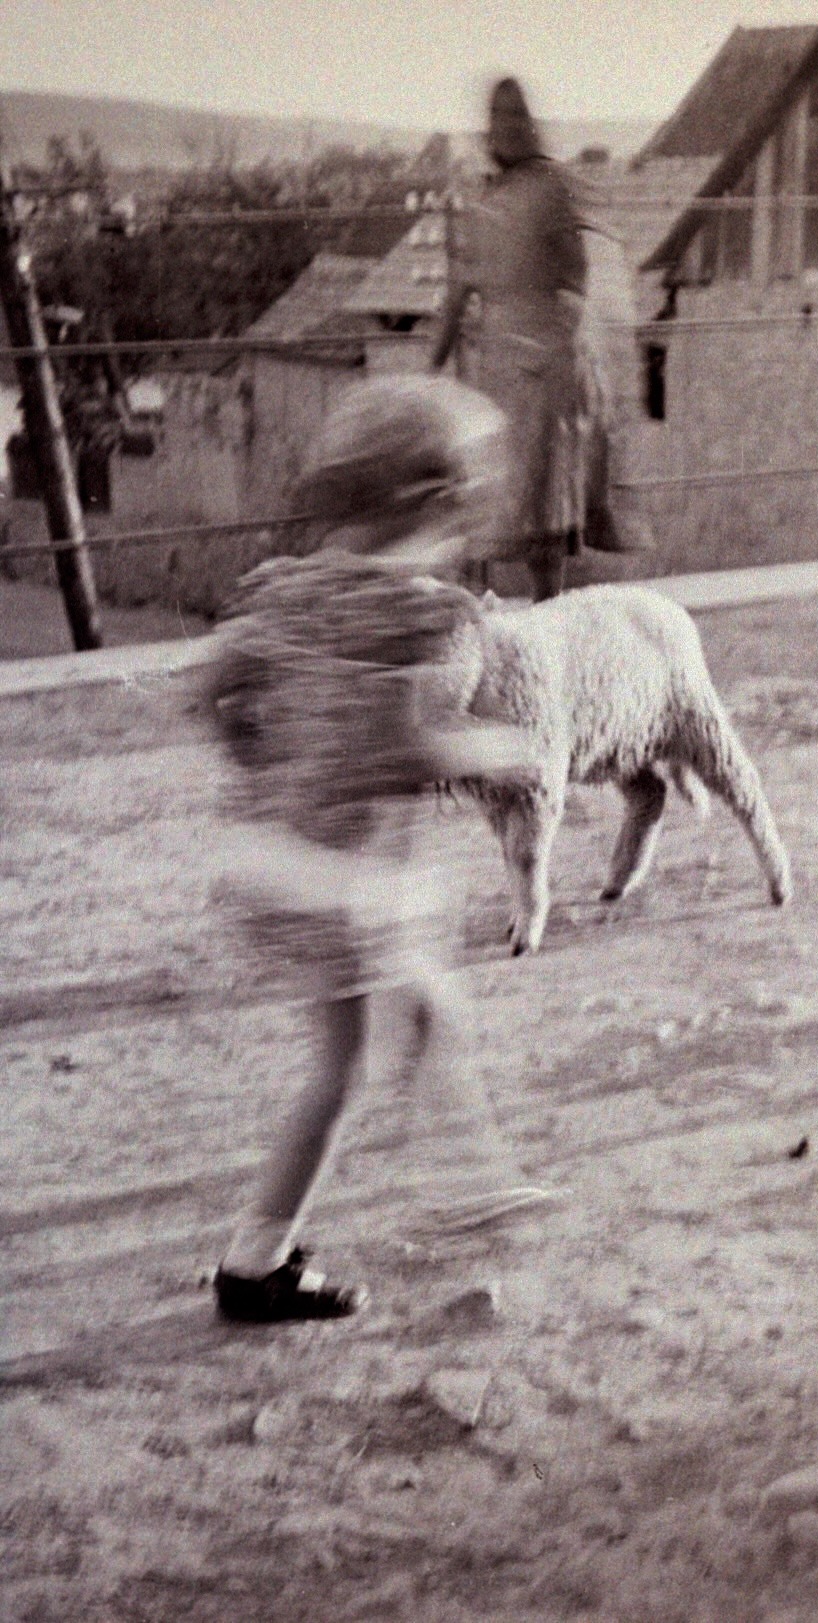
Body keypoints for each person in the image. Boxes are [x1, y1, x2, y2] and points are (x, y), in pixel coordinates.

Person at [206, 376, 557, 1322]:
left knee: (427, 1008)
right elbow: (406, 747)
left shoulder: (282, 592)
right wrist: (499, 749)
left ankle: (473, 1178)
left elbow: (213, 693)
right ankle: (256, 1263)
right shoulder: (425, 617)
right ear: (437, 504)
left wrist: (270, 763)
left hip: (272, 856)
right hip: (351, 881)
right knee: (349, 1068)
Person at [432, 76, 587, 602]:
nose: (507, 128)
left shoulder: (554, 190)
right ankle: (480, 622)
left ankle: (552, 615)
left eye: (516, 116)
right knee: (485, 496)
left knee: (542, 502)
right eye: (497, 118)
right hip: (495, 367)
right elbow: (457, 293)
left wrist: (550, 347)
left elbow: (576, 280)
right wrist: (429, 373)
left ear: (530, 124)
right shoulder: (482, 203)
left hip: (543, 365)